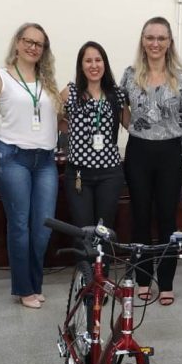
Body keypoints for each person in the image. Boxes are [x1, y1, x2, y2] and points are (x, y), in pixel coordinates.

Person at [120, 16, 182, 306]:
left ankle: (166, 282)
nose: (155, 43)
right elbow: (119, 109)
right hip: (139, 152)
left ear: (169, 42)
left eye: (161, 38)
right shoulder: (130, 75)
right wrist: (137, 128)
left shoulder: (181, 78)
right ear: (142, 41)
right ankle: (142, 278)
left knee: (167, 219)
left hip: (169, 154)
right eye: (150, 37)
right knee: (140, 217)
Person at [0, 23, 60, 310]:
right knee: (19, 225)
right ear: (17, 43)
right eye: (28, 41)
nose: (32, 47)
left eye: (39, 44)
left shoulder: (47, 81)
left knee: (43, 228)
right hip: (12, 158)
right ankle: (24, 288)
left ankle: (34, 284)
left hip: (46, 161)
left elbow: (57, 120)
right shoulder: (0, 77)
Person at [60, 41, 126, 248]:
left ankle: (103, 268)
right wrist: (73, 131)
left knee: (104, 232)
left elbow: (131, 124)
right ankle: (85, 269)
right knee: (83, 233)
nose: (94, 65)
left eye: (98, 60)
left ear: (105, 64)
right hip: (79, 175)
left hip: (110, 174)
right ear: (81, 66)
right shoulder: (70, 92)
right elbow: (55, 121)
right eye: (88, 61)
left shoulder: (116, 94)